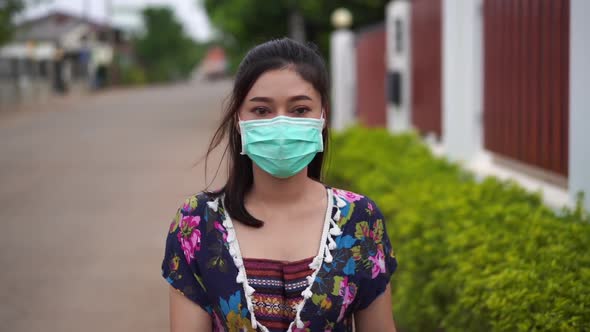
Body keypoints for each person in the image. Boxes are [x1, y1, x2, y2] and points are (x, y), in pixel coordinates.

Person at [161, 38, 398, 332]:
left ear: (323, 116)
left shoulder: (360, 220)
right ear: (239, 119)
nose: (281, 126)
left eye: (299, 110)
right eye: (262, 111)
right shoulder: (196, 223)